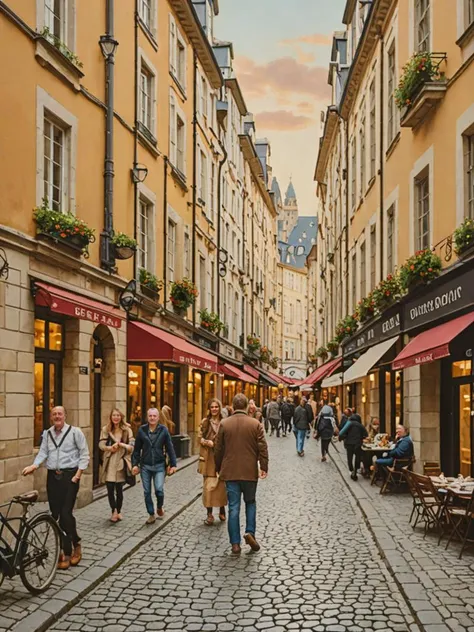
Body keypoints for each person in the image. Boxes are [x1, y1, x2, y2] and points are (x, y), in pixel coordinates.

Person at [22, 406, 89, 570]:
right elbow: (43, 452)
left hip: (70, 476)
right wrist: (34, 465)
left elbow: (84, 454)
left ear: (65, 415)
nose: (57, 416)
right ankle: (64, 549)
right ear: (51, 417)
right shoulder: (47, 434)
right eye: (54, 414)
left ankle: (72, 547)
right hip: (53, 477)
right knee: (56, 515)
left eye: (60, 413)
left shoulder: (75, 432)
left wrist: (78, 475)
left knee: (66, 513)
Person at [215, 393, 269, 555]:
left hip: (230, 472)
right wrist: (264, 466)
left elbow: (218, 449)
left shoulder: (224, 424)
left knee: (233, 508)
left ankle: (235, 544)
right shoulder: (255, 424)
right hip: (249, 472)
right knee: (250, 502)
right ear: (246, 406)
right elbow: (262, 447)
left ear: (233, 406)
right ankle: (250, 533)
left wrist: (218, 467)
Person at [131, 408, 177, 524]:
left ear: (158, 417)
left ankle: (159, 507)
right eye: (150, 416)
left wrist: (173, 464)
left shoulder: (164, 430)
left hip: (159, 465)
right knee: (147, 492)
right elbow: (136, 450)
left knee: (159, 490)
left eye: (154, 416)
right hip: (145, 466)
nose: (152, 418)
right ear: (147, 417)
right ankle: (151, 514)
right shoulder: (142, 430)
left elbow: (170, 448)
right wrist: (135, 464)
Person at [99, 409, 134, 523]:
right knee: (109, 488)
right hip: (110, 462)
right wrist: (110, 448)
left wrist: (123, 445)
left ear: (121, 417)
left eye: (118, 415)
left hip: (121, 462)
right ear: (111, 417)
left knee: (119, 489)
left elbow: (132, 446)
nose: (116, 417)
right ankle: (113, 511)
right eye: (114, 415)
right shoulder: (106, 429)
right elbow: (101, 444)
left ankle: (118, 511)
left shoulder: (127, 430)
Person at [198, 399, 227, 525]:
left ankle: (222, 509)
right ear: (209, 409)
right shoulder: (205, 422)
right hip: (208, 457)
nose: (214, 409)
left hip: (221, 457)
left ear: (219, 408)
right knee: (208, 487)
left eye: (216, 407)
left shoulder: (224, 422)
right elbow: (199, 437)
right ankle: (209, 514)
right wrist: (206, 442)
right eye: (212, 407)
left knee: (221, 485)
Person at [338, 412, 368, 481]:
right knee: (357, 457)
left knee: (350, 457)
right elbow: (366, 434)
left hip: (349, 443)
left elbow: (342, 432)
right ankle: (355, 470)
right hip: (357, 443)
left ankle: (351, 470)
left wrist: (342, 438)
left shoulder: (349, 424)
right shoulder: (360, 425)